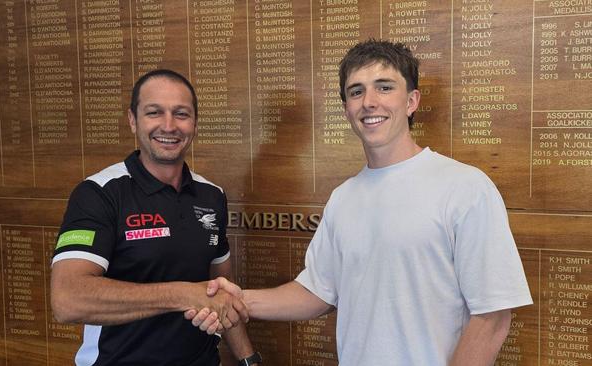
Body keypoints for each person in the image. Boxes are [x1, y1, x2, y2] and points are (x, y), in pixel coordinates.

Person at [187, 39, 533, 365]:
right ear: (347, 109)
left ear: (411, 101)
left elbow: (492, 315)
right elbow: (317, 293)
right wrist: (235, 300)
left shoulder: (464, 187)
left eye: (385, 87)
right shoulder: (344, 198)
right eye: (357, 91)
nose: (369, 101)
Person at [51, 69, 261, 366]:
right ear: (133, 120)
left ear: (194, 124)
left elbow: (221, 291)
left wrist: (248, 360)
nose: (168, 125)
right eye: (154, 112)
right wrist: (183, 294)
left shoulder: (212, 196)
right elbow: (67, 300)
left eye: (181, 114)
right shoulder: (99, 193)